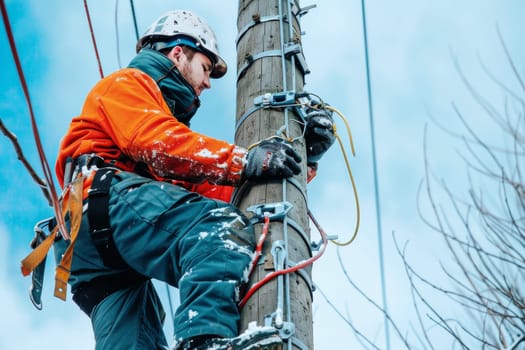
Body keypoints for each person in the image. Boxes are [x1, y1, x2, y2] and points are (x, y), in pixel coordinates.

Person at [55, 9, 334, 350]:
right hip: (103, 201)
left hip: (93, 250)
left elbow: (223, 192)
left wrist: (302, 159)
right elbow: (157, 142)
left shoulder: (163, 159)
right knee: (218, 230)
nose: (206, 83)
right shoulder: (128, 84)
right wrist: (245, 160)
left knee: (133, 342)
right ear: (177, 53)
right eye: (204, 67)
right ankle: (204, 342)